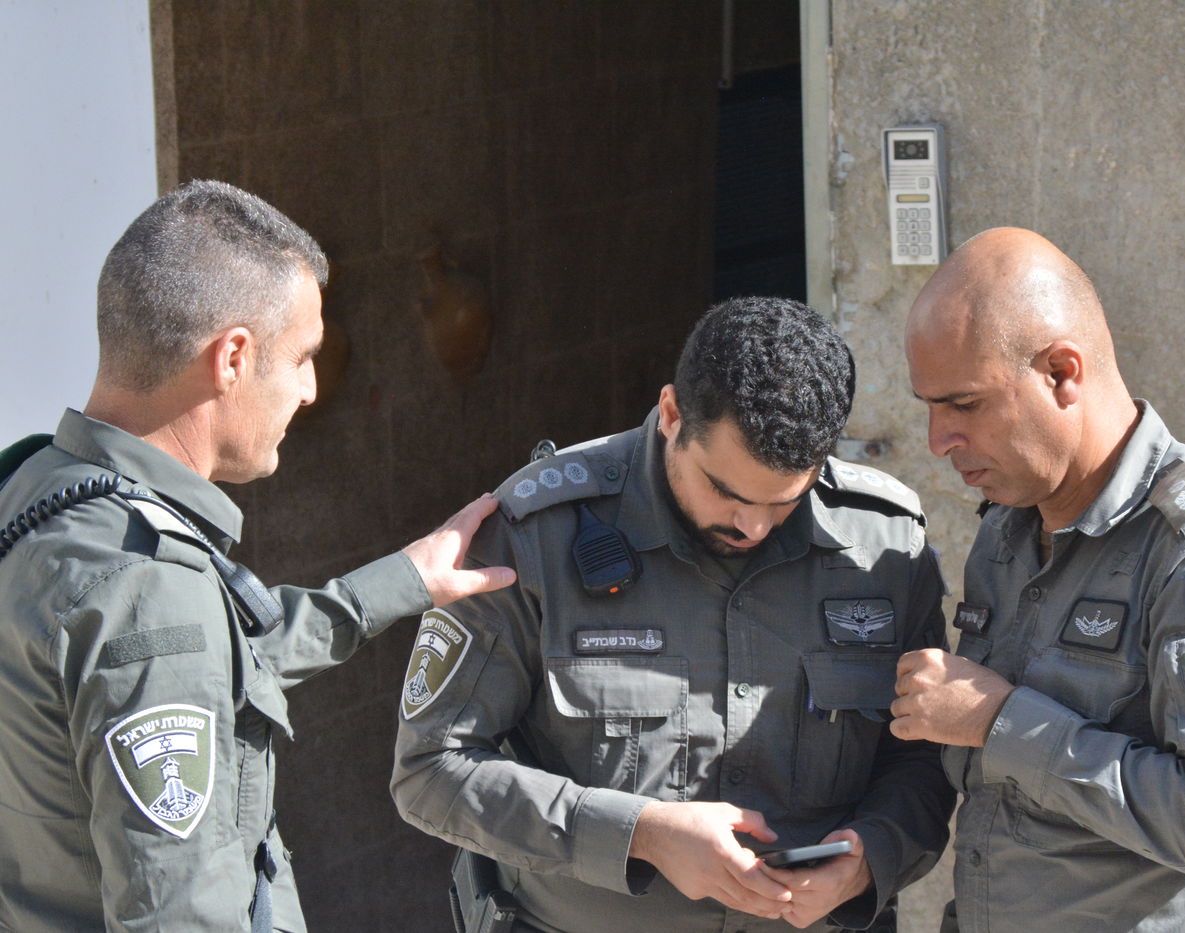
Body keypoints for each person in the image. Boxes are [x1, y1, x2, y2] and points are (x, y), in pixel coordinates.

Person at [0, 180, 515, 933]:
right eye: (303, 355)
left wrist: (404, 581)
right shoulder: (149, 588)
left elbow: (203, 662)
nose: (309, 389)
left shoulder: (39, 489)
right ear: (232, 357)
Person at [392, 297, 954, 933]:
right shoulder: (533, 537)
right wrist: (642, 835)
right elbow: (430, 771)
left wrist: (866, 859)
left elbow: (925, 762)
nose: (753, 525)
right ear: (671, 415)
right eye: (726, 490)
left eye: (784, 501)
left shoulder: (882, 543)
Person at [891, 227, 1185, 932]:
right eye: (928, 406)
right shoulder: (1007, 531)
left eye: (963, 404)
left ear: (1063, 372)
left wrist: (1003, 721)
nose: (939, 440)